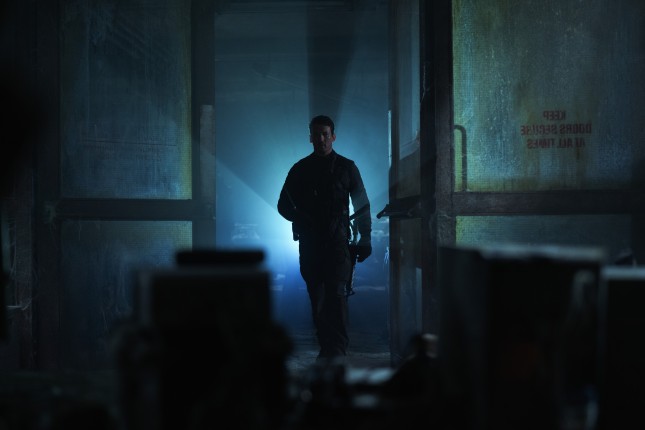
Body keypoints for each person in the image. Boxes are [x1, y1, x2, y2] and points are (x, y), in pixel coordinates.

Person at [278, 115, 372, 360]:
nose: (321, 139)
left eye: (325, 134)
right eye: (316, 134)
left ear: (333, 136)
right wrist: (300, 218)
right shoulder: (300, 169)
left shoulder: (347, 168)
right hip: (311, 245)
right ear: (310, 137)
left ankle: (336, 352)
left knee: (337, 299)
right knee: (318, 300)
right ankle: (327, 350)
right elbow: (283, 205)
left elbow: (362, 205)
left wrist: (366, 238)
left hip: (338, 244)